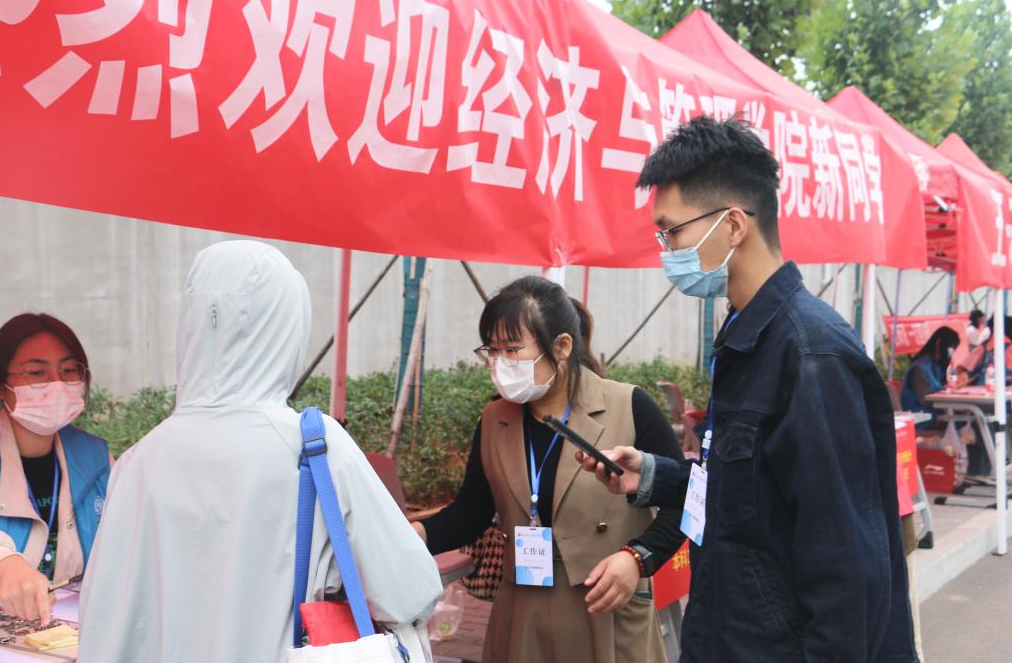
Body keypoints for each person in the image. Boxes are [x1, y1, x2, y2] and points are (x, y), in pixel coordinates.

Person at [579, 116, 916, 662]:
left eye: (672, 232)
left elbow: (847, 565)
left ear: (733, 224)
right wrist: (657, 475)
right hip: (727, 637)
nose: (667, 250)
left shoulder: (810, 354)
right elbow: (754, 492)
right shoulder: (744, 336)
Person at [78, 241, 442, 662]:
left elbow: (104, 620)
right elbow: (409, 592)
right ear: (289, 327)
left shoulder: (138, 462)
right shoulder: (314, 446)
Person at [411, 276, 685, 663]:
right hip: (523, 610)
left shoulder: (629, 406)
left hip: (605, 606)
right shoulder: (495, 419)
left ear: (562, 346)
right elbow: (472, 512)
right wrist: (416, 535)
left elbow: (684, 501)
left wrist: (636, 558)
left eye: (512, 349)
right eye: (492, 351)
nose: (500, 363)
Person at [0, 313, 111, 626]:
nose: (56, 384)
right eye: (36, 373)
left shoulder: (97, 459)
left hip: (73, 636)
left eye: (68, 370)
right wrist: (2, 562)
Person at [900, 326, 962, 429]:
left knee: (965, 418)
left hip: (933, 412)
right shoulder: (919, 368)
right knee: (961, 421)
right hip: (920, 417)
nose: (951, 352)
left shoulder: (938, 365)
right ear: (938, 342)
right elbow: (924, 400)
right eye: (950, 347)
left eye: (953, 348)